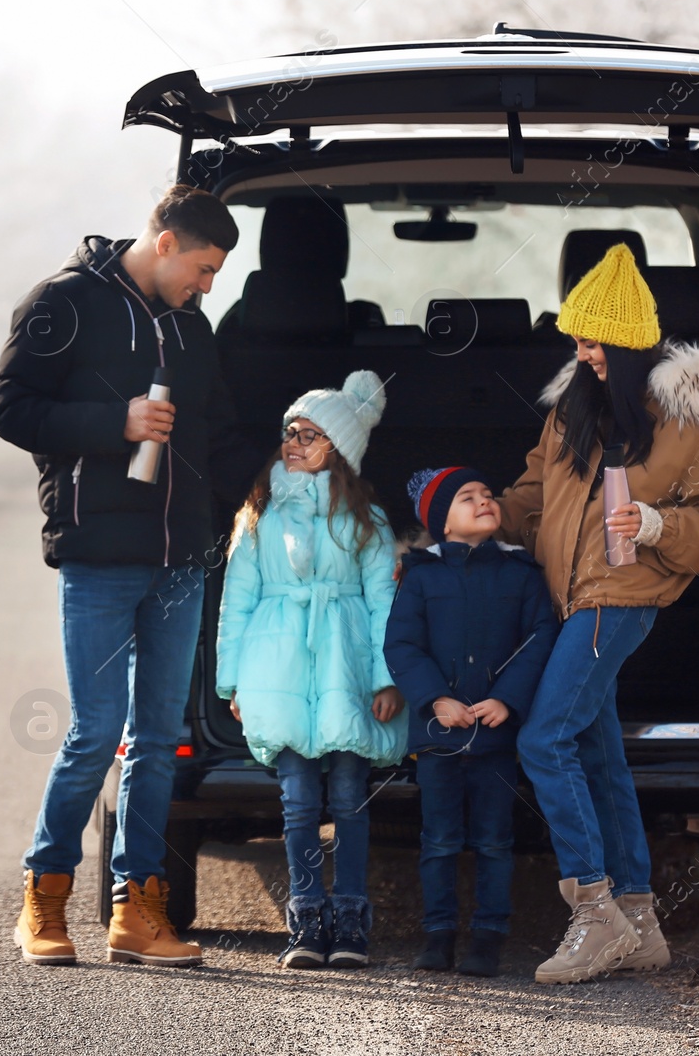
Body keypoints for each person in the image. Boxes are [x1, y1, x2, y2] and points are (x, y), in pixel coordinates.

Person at [0, 185, 256, 968]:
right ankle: (44, 893)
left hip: (181, 560)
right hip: (99, 556)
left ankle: (137, 909)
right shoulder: (63, 302)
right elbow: (11, 409)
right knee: (95, 732)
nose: (208, 286)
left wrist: (259, 497)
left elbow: (220, 432)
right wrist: (118, 423)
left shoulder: (191, 327)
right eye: (204, 269)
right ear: (166, 240)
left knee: (158, 738)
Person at [497, 243, 699, 983]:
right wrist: (470, 516)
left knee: (544, 740)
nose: (583, 353)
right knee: (598, 753)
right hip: (572, 598)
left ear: (633, 342)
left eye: (595, 340)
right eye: (576, 339)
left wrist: (657, 525)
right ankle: (639, 920)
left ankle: (593, 910)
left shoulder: (689, 420)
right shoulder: (572, 406)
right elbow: (534, 495)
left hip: (622, 596)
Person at [216, 370, 405, 969]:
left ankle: (349, 917)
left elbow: (384, 603)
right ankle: (305, 918)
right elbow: (236, 602)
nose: (293, 442)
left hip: (345, 666)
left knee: (349, 796)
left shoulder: (367, 519)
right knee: (297, 801)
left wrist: (385, 675)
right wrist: (233, 680)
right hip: (277, 667)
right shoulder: (259, 515)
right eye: (290, 432)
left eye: (310, 435)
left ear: (339, 452)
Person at [383, 467, 558, 978]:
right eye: (467, 497)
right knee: (438, 839)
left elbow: (540, 639)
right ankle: (437, 935)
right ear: (444, 523)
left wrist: (507, 699)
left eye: (487, 493)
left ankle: (488, 938)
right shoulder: (420, 576)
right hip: (439, 737)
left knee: (494, 840)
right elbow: (402, 645)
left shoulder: (523, 573)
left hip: (495, 736)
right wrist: (436, 699)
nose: (484, 500)